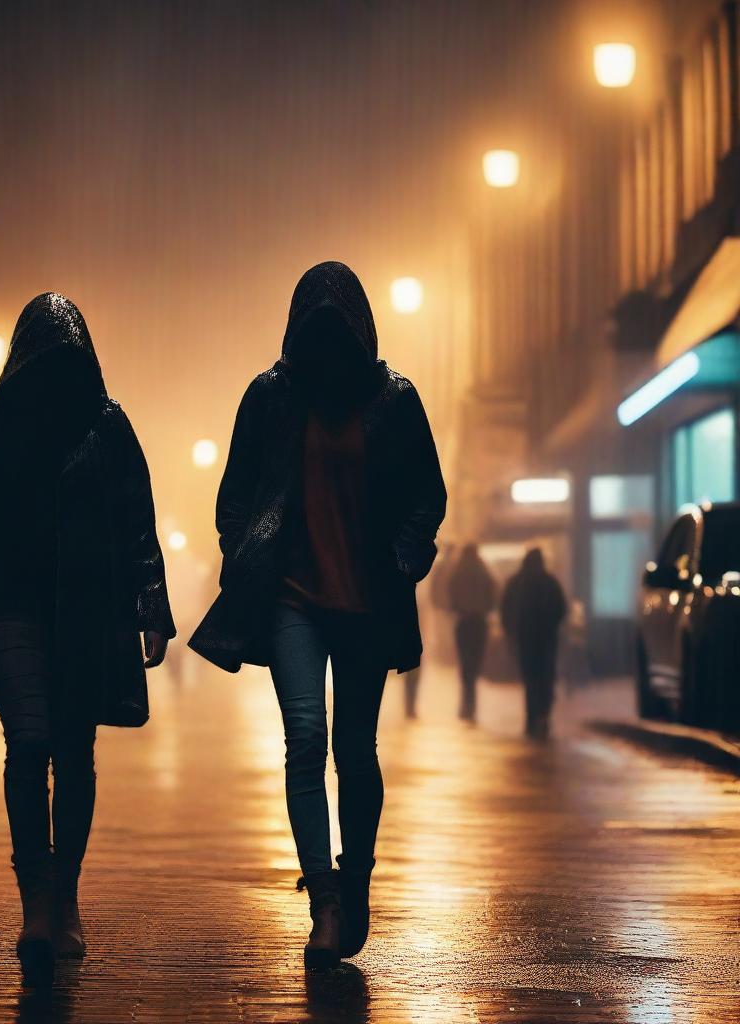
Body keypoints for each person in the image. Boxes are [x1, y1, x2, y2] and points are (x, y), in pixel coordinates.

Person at [190, 261, 446, 969]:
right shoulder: (270, 397)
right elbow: (236, 492)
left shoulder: (395, 401)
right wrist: (240, 550)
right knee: (306, 738)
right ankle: (325, 903)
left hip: (367, 602)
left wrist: (403, 557)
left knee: (354, 753)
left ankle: (355, 873)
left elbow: (428, 494)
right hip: (291, 599)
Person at [0, 293, 175, 985]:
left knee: (74, 748)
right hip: (6, 605)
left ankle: (63, 893)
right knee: (32, 741)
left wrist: (150, 604)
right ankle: (36, 900)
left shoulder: (107, 426)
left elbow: (138, 518)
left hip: (84, 606)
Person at [500, 547, 566, 739]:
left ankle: (531, 720)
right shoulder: (550, 582)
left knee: (530, 680)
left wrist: (510, 633)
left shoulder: (516, 583)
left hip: (526, 640)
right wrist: (552, 627)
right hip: (546, 639)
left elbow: (506, 610)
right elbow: (561, 608)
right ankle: (544, 717)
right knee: (545, 678)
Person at [448, 543, 496, 723]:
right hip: (479, 623)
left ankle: (465, 704)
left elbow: (450, 595)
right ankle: (471, 703)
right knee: (475, 662)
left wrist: (457, 608)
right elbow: (493, 595)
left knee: (465, 662)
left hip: (463, 622)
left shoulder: (458, 572)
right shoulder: (484, 572)